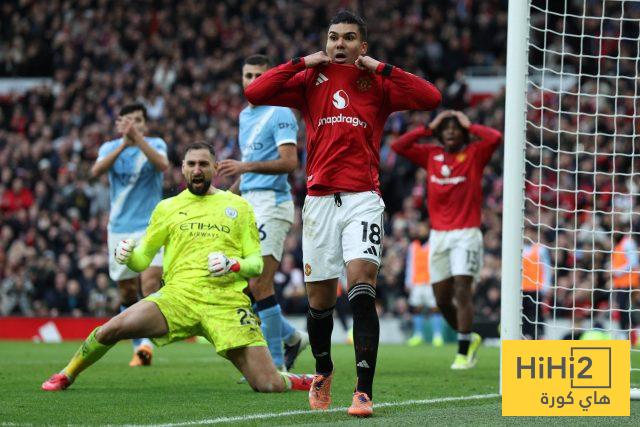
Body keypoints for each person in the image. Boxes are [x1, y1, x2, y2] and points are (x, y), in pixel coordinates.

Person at [245, 10, 441, 416]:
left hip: (363, 197)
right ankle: (323, 369)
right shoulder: (308, 80)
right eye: (334, 37)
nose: (339, 44)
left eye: (349, 38)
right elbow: (256, 93)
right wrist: (302, 62)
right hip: (319, 201)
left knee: (362, 287)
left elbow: (431, 98)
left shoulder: (378, 83)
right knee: (320, 303)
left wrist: (381, 67)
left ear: (361, 46)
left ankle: (363, 391)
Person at [41, 142, 313, 393]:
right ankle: (67, 373)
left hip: (225, 303)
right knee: (111, 329)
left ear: (215, 167)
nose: (197, 169)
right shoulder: (167, 208)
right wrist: (128, 256)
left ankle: (294, 379)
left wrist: (232, 264)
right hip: (177, 299)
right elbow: (143, 260)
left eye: (203, 164)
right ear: (183, 168)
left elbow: (255, 264)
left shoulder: (238, 206)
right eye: (191, 164)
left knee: (268, 384)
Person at [218, 54, 308, 372]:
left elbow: (289, 162)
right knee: (246, 286)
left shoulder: (280, 112)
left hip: (272, 202)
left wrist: (244, 166)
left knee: (259, 283)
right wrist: (226, 195)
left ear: (271, 80)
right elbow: (249, 170)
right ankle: (292, 338)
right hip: (248, 203)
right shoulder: (245, 116)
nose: (253, 81)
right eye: (248, 75)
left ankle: (274, 365)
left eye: (260, 75)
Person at [391, 110, 502, 370]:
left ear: (463, 133)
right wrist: (427, 128)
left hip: (466, 233)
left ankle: (463, 351)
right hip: (438, 235)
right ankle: (470, 337)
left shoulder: (474, 154)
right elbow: (399, 146)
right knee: (441, 300)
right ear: (440, 134)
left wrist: (470, 124)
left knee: (462, 289)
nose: (451, 131)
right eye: (446, 128)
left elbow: (495, 138)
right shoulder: (431, 155)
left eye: (455, 128)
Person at [90, 102, 168, 367]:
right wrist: (124, 144)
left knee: (150, 282)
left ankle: (147, 344)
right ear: (119, 124)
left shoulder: (155, 144)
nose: (134, 125)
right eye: (129, 120)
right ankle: (139, 346)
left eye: (139, 120)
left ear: (145, 124)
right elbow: (96, 171)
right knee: (126, 291)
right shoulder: (109, 148)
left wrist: (137, 140)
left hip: (150, 226)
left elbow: (162, 165)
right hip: (120, 227)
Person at [405, 221, 444, 347]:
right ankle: (418, 335)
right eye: (419, 229)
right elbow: (410, 264)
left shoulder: (433, 244)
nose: (420, 231)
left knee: (434, 308)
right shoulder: (413, 246)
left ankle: (437, 336)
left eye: (422, 229)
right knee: (416, 308)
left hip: (430, 282)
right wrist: (408, 281)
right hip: (417, 282)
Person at [521, 226, 551, 339]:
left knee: (537, 313)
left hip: (536, 287)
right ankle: (525, 335)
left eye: (531, 233)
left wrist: (546, 286)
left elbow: (547, 268)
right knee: (523, 313)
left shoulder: (541, 249)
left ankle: (539, 335)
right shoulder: (518, 249)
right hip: (522, 288)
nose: (529, 235)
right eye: (527, 233)